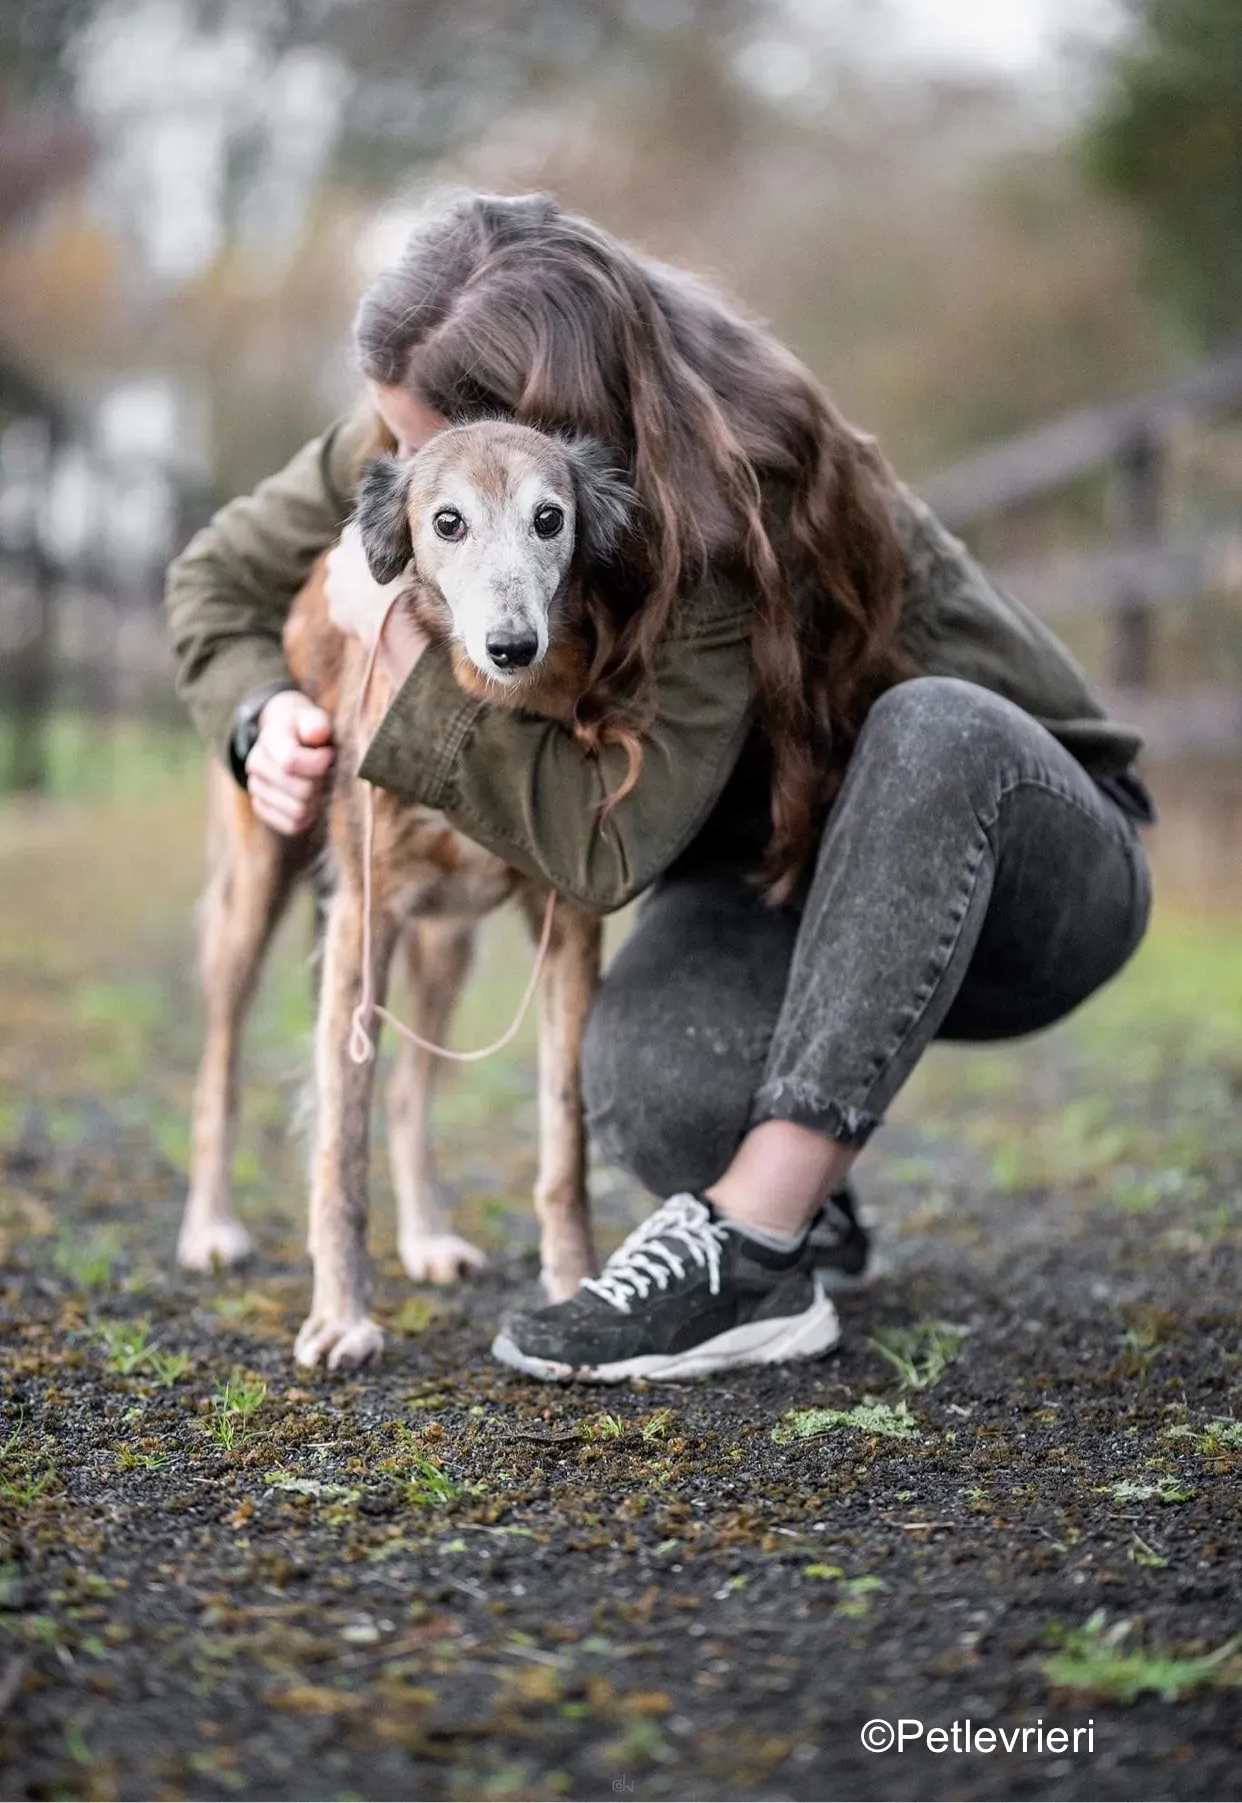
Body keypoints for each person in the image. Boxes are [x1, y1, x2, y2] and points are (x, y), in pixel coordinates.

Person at [166, 190, 1153, 1384]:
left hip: (1029, 867)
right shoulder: (421, 443)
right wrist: (260, 713)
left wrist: (409, 656)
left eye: (420, 436)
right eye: (396, 441)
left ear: (551, 426)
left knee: (931, 728)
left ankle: (754, 1246)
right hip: (791, 873)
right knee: (650, 1085)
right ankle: (814, 1207)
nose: (396, 456)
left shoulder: (736, 495)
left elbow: (606, 850)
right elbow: (218, 577)